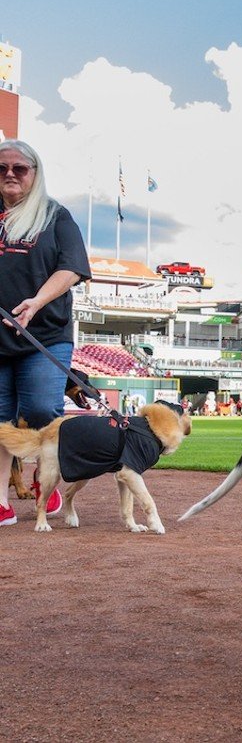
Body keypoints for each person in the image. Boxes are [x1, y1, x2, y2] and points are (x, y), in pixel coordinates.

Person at [0, 139, 90, 527]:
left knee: (39, 408)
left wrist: (36, 301)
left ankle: (46, 480)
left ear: (35, 174)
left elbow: (71, 268)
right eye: (2, 167)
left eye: (19, 168)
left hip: (44, 335)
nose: (9, 175)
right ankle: (0, 501)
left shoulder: (55, 215)